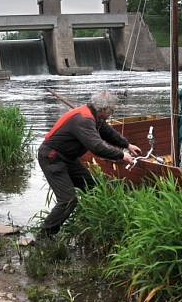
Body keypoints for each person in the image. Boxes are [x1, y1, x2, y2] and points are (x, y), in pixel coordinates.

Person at [37, 91, 141, 238]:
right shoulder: (84, 119)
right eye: (112, 110)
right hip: (52, 158)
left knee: (93, 188)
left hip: (68, 158)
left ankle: (91, 219)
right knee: (68, 199)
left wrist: (127, 145)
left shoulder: (95, 116)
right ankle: (45, 236)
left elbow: (107, 132)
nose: (113, 113)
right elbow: (96, 146)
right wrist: (121, 155)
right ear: (104, 109)